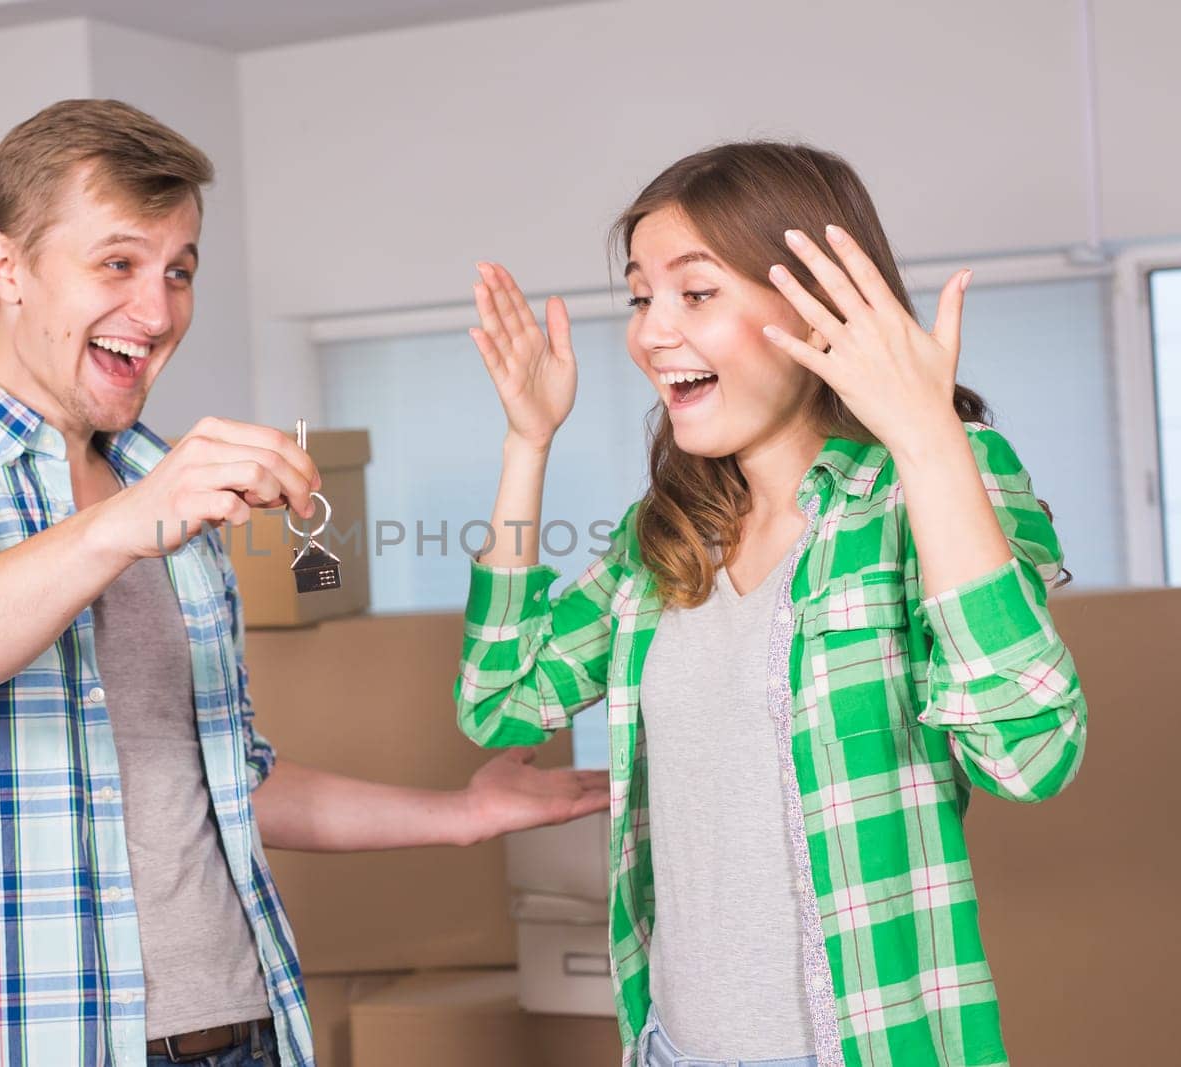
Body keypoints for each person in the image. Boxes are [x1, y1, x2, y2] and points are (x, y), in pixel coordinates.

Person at [0, 98, 609, 1067]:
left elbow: (222, 780)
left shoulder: (160, 498)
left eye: (179, 270)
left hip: (236, 1035)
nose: (157, 309)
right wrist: (123, 524)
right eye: (118, 263)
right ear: (6, 267)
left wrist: (462, 817)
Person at [454, 142, 1086, 1067]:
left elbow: (1030, 752)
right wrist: (525, 444)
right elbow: (500, 699)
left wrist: (930, 439)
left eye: (695, 292)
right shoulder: (666, 535)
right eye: (640, 297)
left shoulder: (933, 484)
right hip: (670, 1046)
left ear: (817, 303)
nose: (650, 333)